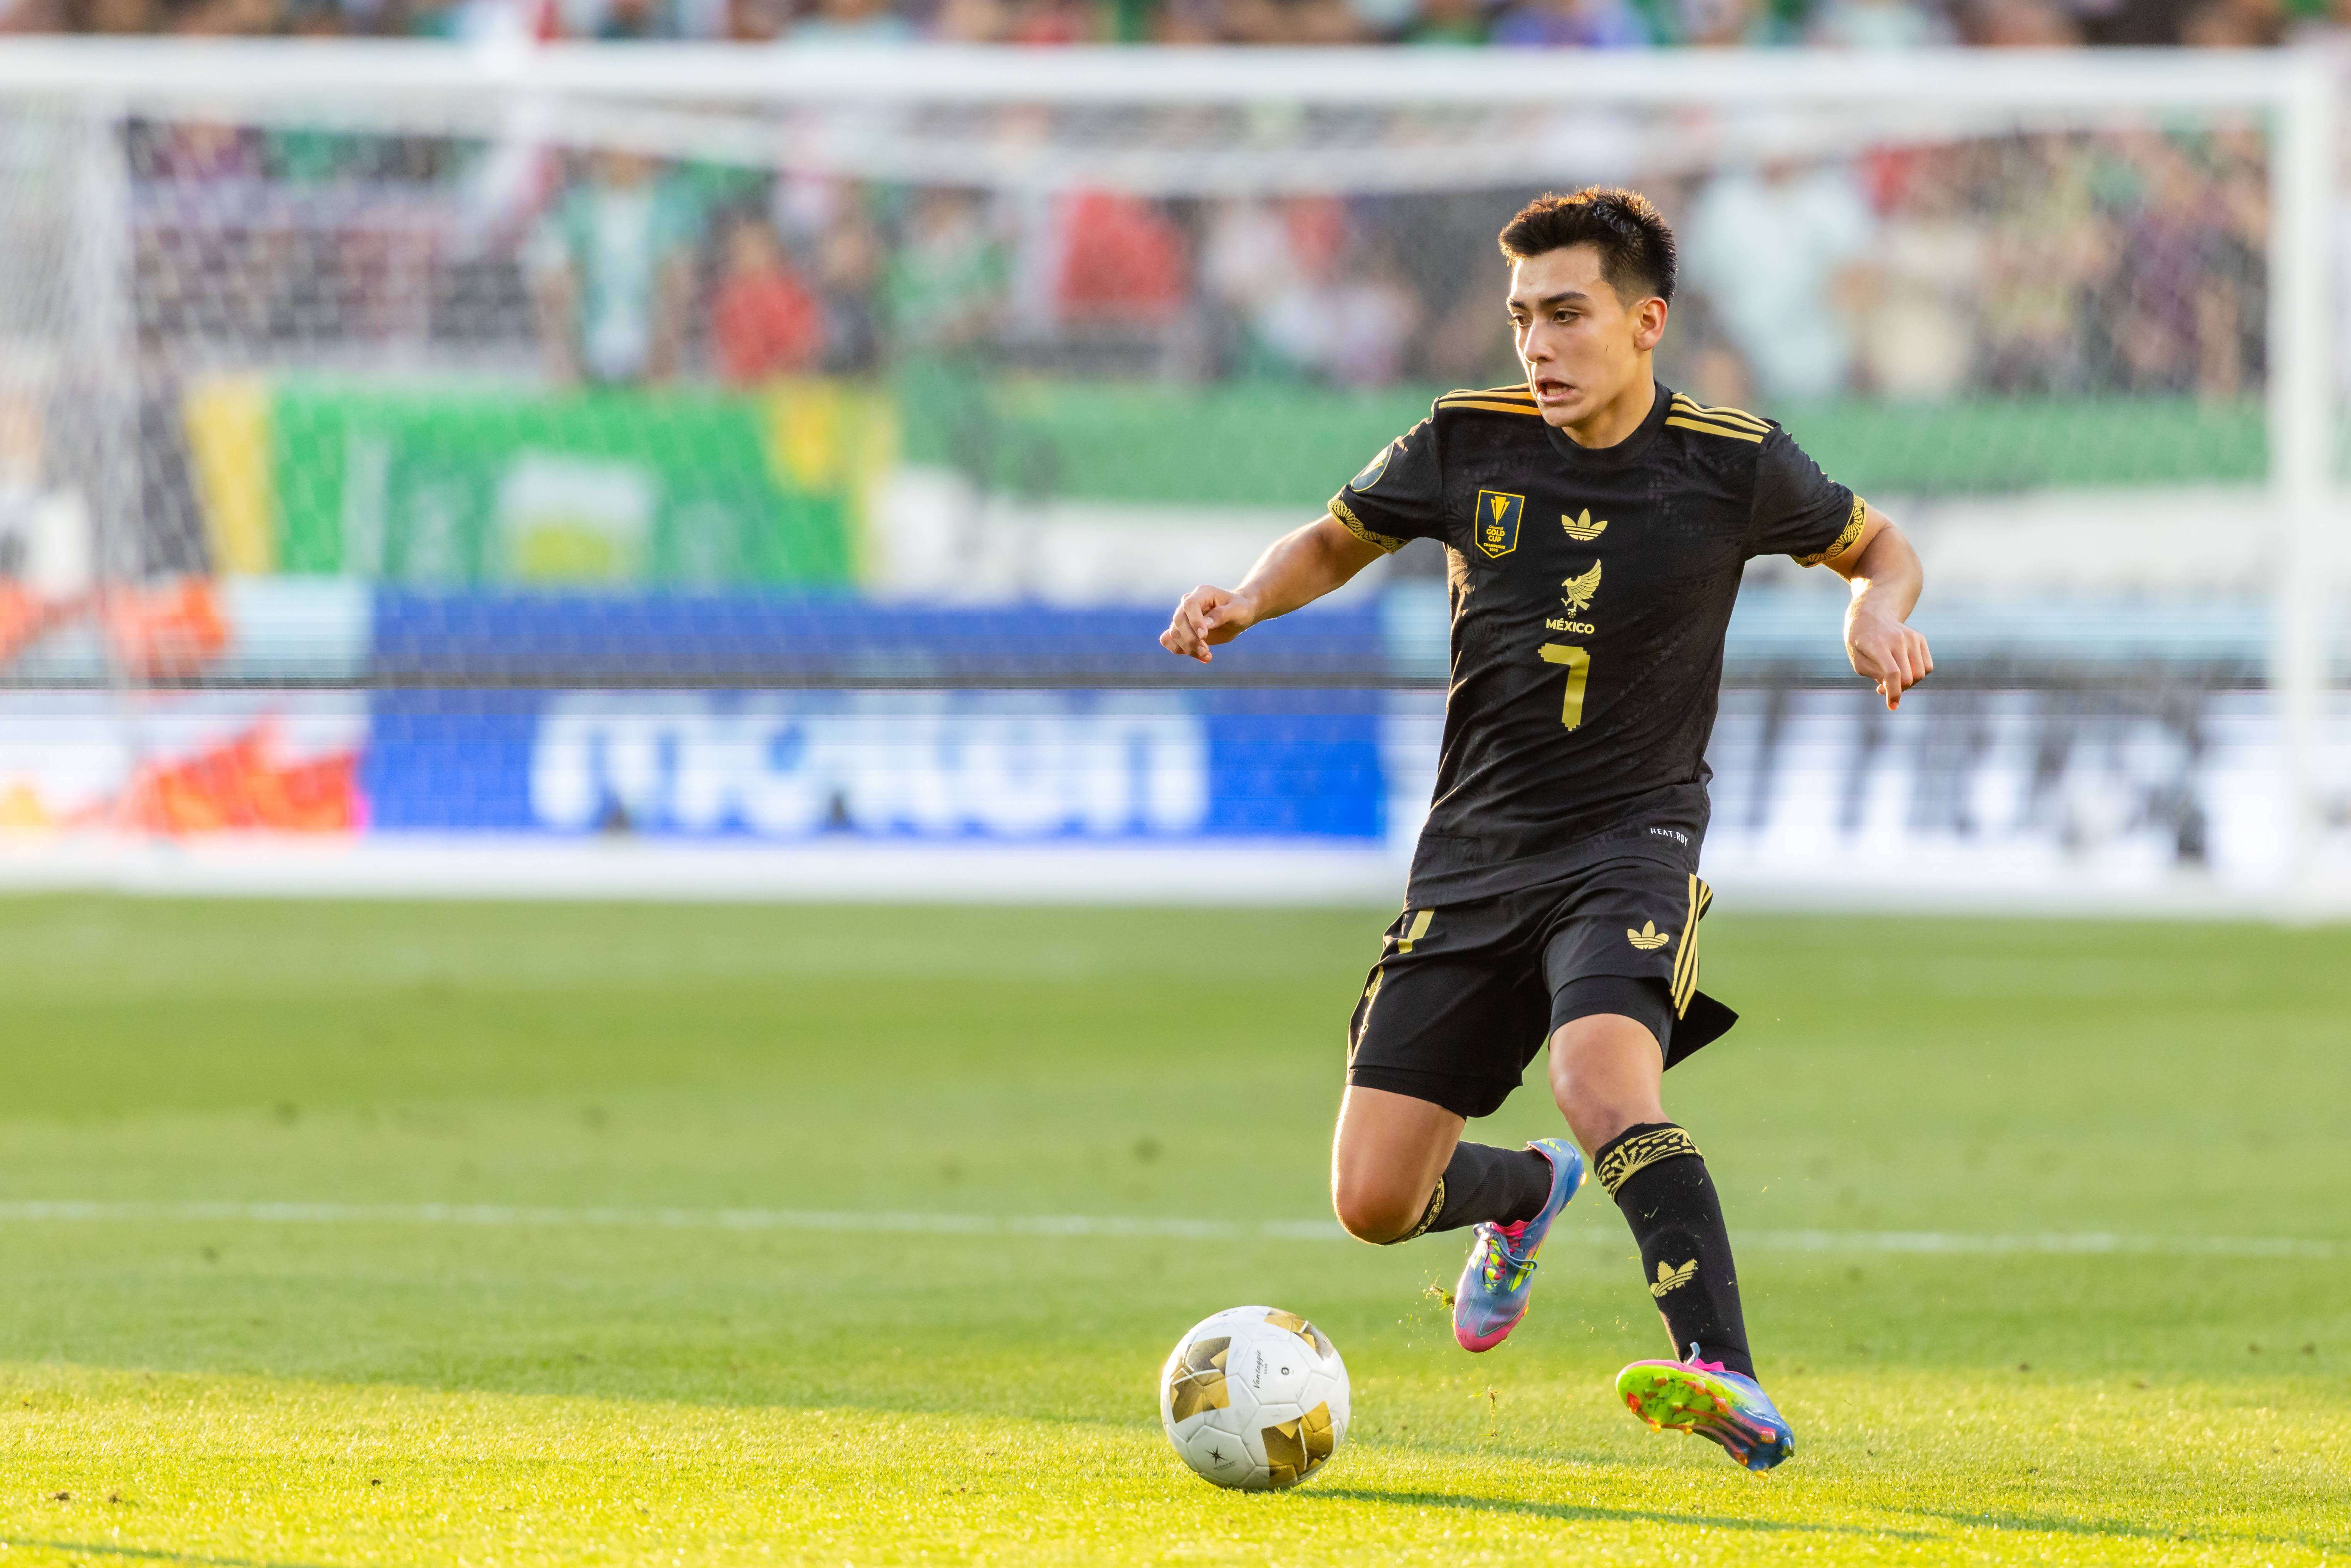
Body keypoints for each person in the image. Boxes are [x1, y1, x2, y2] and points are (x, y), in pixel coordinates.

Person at [1157, 188, 1931, 1471]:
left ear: (1646, 323)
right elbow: (1337, 541)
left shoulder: (1734, 461)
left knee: (1600, 1082)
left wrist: (1872, 609)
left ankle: (1724, 1373)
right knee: (1372, 1201)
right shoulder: (1467, 439)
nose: (1539, 347)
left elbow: (1882, 546)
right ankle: (1521, 1195)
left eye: (1567, 316)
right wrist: (1250, 597)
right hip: (1472, 856)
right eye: (1522, 319)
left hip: (1630, 842)